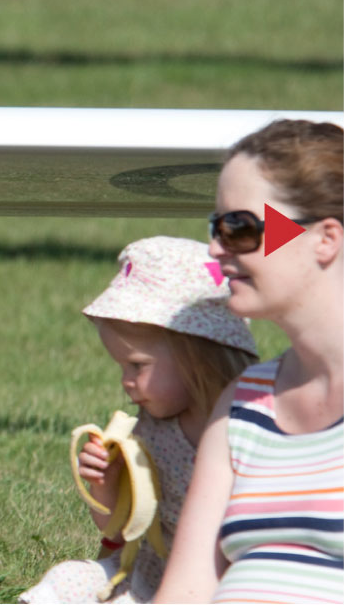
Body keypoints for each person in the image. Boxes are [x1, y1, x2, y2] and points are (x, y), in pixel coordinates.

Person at [154, 119, 343, 603]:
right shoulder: (244, 403)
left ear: (325, 238)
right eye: (216, 227)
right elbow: (186, 591)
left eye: (238, 227)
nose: (215, 248)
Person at [20, 236, 258, 603]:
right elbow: (120, 531)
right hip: (147, 578)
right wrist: (105, 485)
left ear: (196, 354)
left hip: (226, 587)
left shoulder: (253, 431)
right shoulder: (152, 430)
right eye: (122, 367)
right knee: (65, 580)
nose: (125, 381)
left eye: (137, 365)